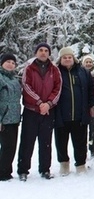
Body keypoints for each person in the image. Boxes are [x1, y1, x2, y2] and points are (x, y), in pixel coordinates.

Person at [17, 43, 62, 181]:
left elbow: (58, 88)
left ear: (49, 53)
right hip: (31, 110)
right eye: (40, 50)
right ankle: (23, 170)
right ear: (36, 53)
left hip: (48, 112)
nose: (43, 53)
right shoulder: (29, 68)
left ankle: (45, 169)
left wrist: (48, 104)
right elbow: (26, 86)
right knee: (27, 141)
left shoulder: (54, 70)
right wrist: (39, 102)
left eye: (46, 51)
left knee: (46, 142)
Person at [54, 47, 94, 175]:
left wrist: (92, 105)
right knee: (61, 141)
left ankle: (80, 164)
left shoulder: (83, 72)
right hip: (61, 113)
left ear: (74, 58)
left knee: (80, 141)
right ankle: (64, 164)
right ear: (60, 59)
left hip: (80, 113)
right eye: (64, 58)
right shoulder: (56, 72)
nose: (67, 59)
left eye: (69, 57)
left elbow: (91, 90)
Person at [0, 53, 22, 181]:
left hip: (14, 118)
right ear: (2, 63)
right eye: (8, 62)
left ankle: (7, 171)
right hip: (3, 118)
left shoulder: (14, 80)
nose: (10, 64)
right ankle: (2, 173)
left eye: (13, 63)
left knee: (11, 147)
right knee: (6, 147)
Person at [82, 54, 94, 157]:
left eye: (90, 62)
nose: (88, 64)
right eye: (86, 62)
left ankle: (93, 148)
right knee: (82, 130)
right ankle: (83, 148)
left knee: (93, 129)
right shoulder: (81, 74)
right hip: (83, 105)